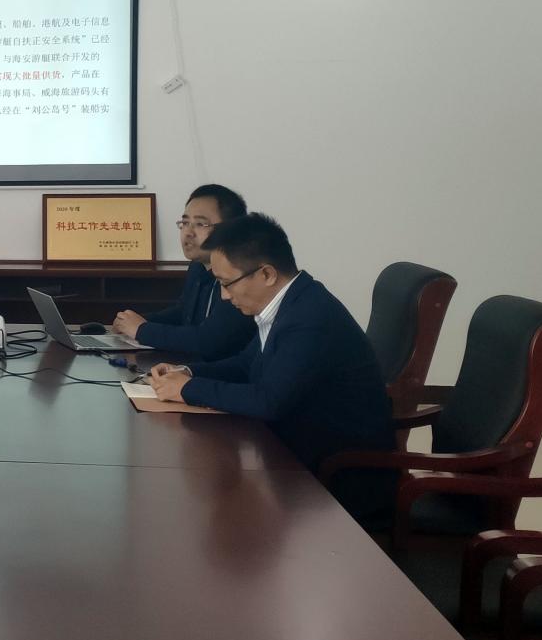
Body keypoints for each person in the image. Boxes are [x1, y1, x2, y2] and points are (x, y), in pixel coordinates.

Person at [148, 213, 395, 525]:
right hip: (295, 453)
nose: (224, 296)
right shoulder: (292, 301)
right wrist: (187, 372)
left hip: (338, 479)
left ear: (266, 274)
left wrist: (187, 389)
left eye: (226, 283)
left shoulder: (310, 319)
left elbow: (269, 401)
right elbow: (246, 364)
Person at [111, 183, 256, 361]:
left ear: (231, 228)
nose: (188, 232)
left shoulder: (239, 275)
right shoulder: (197, 266)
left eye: (200, 224)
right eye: (185, 223)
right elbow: (184, 313)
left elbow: (210, 340)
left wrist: (142, 330)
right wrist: (135, 321)